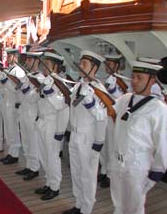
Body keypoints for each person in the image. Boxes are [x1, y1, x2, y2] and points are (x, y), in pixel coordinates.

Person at [109, 60, 167, 214]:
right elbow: (108, 112)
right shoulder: (124, 99)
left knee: (134, 208)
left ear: (152, 80)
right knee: (118, 205)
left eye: (139, 77)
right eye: (133, 76)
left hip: (136, 167)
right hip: (117, 163)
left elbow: (163, 142)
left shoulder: (158, 108)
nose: (134, 81)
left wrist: (157, 172)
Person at [63, 50, 108, 214]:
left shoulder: (99, 89)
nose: (80, 67)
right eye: (80, 63)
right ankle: (78, 204)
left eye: (84, 64)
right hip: (75, 135)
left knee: (87, 175)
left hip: (88, 137)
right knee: (76, 172)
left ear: (94, 68)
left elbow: (103, 116)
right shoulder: (79, 86)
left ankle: (87, 209)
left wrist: (99, 142)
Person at [34, 52, 70, 200]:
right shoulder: (46, 80)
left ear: (55, 66)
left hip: (52, 124)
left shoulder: (60, 83)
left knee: (52, 156)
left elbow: (62, 106)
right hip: (42, 121)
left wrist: (60, 131)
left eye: (47, 64)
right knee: (43, 155)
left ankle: (55, 187)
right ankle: (48, 182)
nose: (44, 66)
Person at [98, 53, 129, 188]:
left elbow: (123, 100)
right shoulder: (103, 79)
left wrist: (113, 89)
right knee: (103, 145)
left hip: (113, 118)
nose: (108, 67)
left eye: (110, 64)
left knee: (112, 147)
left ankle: (111, 175)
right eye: (107, 64)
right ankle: (104, 170)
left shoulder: (124, 81)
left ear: (117, 65)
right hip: (103, 116)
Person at [16, 52, 42, 181]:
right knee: (25, 141)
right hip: (23, 111)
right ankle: (28, 165)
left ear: (36, 61)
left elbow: (33, 98)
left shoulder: (40, 78)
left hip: (32, 114)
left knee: (33, 143)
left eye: (30, 59)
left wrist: (25, 89)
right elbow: (19, 94)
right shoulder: (27, 77)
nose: (27, 62)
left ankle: (34, 168)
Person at [0, 48, 25, 165]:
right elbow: (1, 87)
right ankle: (10, 152)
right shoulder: (9, 70)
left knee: (13, 129)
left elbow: (18, 87)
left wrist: (5, 83)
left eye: (9, 56)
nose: (7, 58)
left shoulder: (18, 71)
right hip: (6, 102)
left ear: (15, 56)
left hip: (13, 103)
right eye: (7, 55)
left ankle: (14, 154)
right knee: (8, 130)